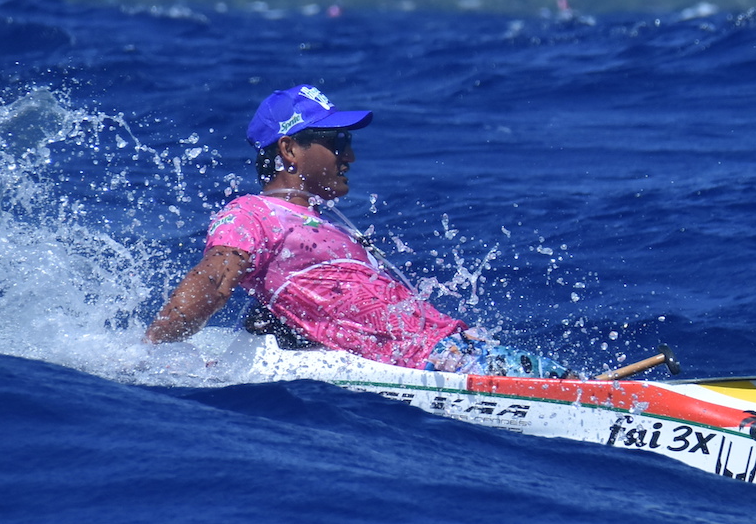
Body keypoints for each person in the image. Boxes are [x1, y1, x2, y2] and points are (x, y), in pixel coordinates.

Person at [146, 84, 565, 378]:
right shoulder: (250, 214)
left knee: (595, 389)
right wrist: (150, 353)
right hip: (428, 366)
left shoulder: (328, 226)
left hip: (457, 350)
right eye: (337, 141)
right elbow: (214, 279)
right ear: (289, 149)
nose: (350, 154)